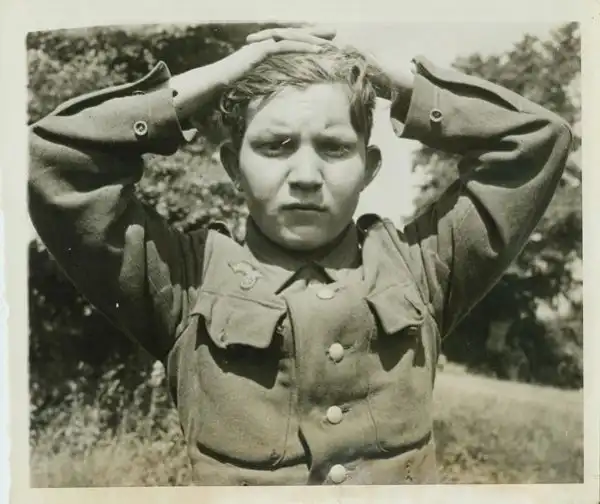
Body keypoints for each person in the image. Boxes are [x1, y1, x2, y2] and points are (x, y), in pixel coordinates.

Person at [28, 26, 573, 485]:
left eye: (335, 148)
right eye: (276, 145)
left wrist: (397, 84)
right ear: (233, 167)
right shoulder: (182, 280)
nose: (307, 176)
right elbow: (52, 160)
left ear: (369, 168)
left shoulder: (422, 267)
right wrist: (211, 80)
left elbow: (537, 141)